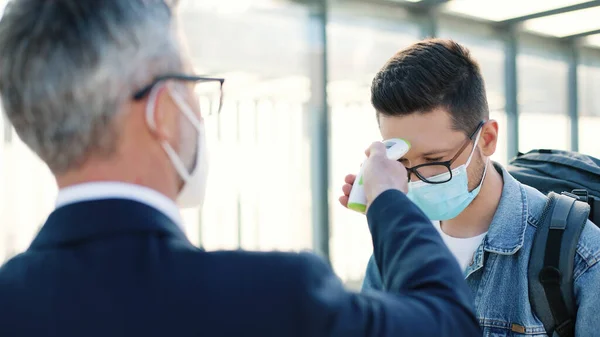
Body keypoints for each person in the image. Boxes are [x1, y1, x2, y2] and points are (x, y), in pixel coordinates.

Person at [0, 1, 481, 336]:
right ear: (163, 112)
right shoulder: (275, 297)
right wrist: (389, 202)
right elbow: (447, 320)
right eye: (193, 87)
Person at [339, 38, 600, 336]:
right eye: (401, 160)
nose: (414, 179)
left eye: (434, 160)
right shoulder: (394, 244)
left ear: (487, 139)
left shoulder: (581, 257)